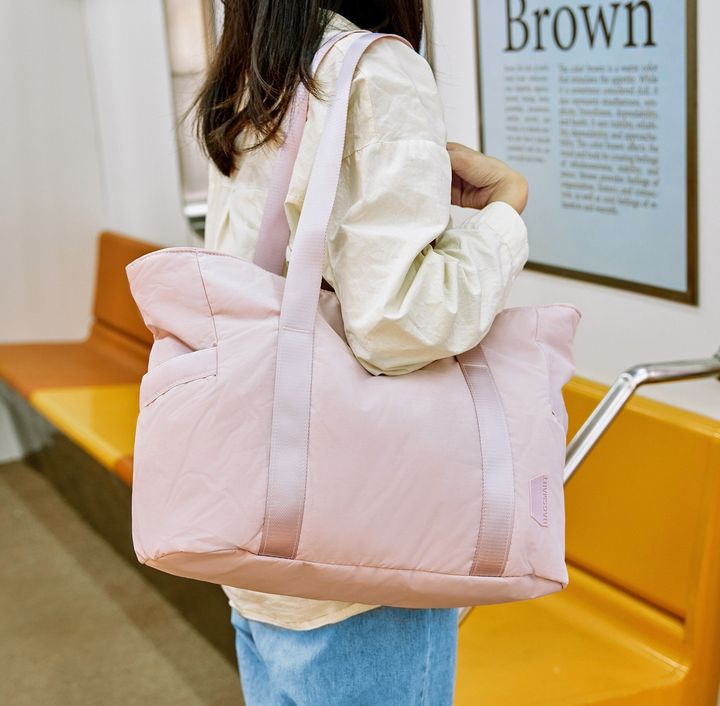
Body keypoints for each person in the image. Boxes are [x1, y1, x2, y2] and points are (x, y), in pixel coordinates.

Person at [191, 2, 529, 704]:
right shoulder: (376, 69)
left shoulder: (254, 80)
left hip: (259, 535)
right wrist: (502, 215)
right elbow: (397, 328)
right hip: (359, 560)